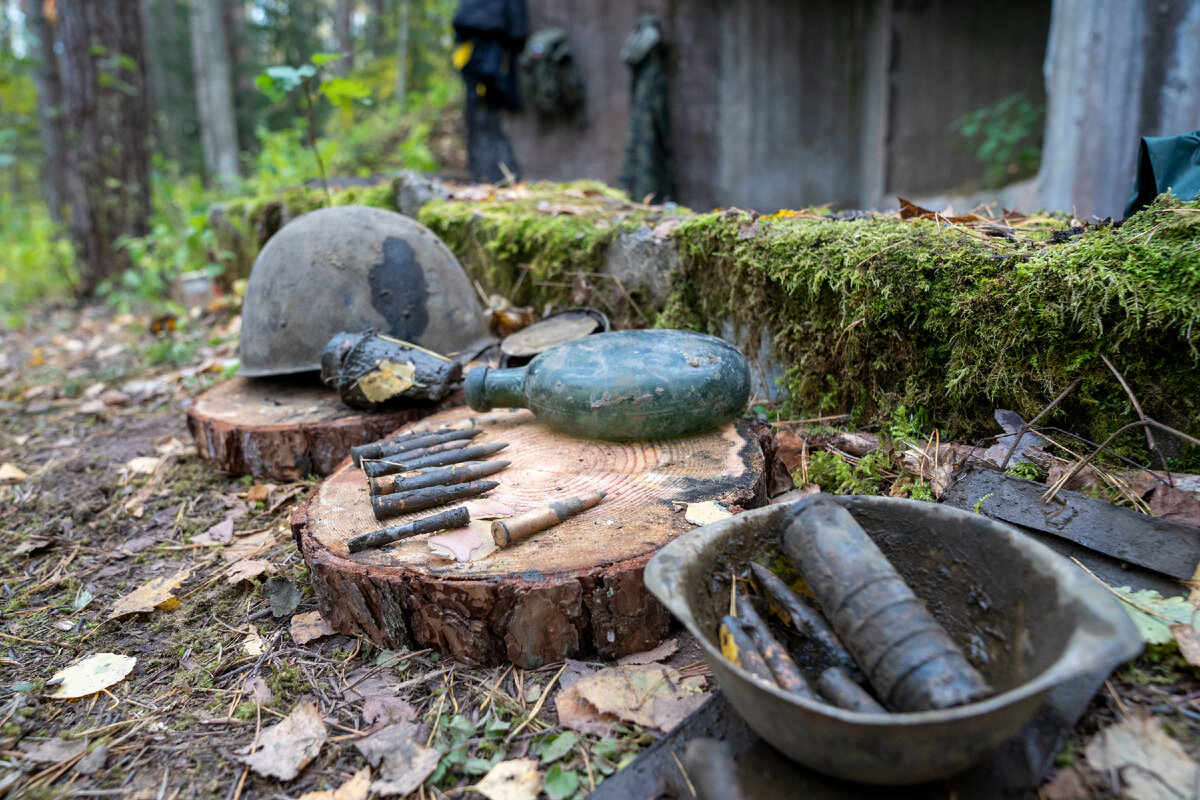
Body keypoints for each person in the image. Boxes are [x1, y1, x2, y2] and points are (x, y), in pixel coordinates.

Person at [452, 0, 528, 184]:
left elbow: (461, 20)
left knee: (485, 107)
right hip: (488, 48)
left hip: (485, 47)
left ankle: (492, 174)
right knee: (484, 106)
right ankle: (488, 174)